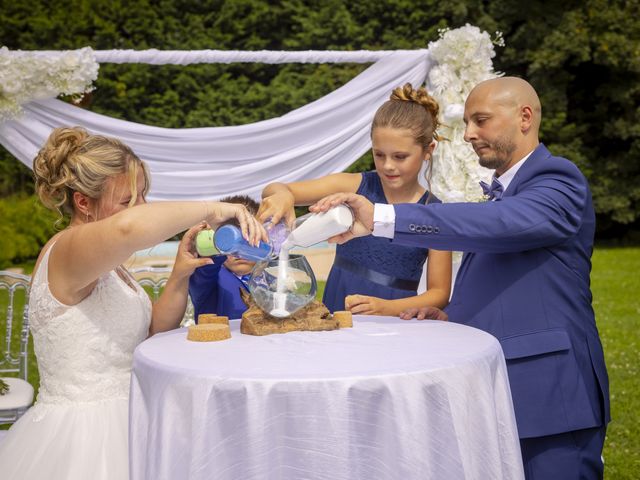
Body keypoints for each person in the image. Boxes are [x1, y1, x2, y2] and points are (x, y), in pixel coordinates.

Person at [309, 76, 610, 479]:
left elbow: (503, 224)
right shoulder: (504, 193)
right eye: (468, 122)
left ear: (524, 117)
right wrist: (454, 319)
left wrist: (382, 216)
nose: (468, 134)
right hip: (499, 389)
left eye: (481, 120)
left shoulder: (558, 180)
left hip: (550, 395)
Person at [0, 127, 265, 480]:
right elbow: (128, 230)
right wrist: (213, 208)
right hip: (86, 436)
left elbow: (153, 330)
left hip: (136, 414)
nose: (140, 209)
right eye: (128, 201)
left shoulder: (108, 266)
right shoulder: (67, 249)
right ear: (83, 202)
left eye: (143, 197)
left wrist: (178, 275)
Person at [258, 83, 452, 315]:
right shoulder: (354, 186)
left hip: (397, 315)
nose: (388, 165)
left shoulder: (436, 212)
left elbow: (439, 293)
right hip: (339, 300)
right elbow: (275, 189)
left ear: (428, 150)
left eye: (400, 157)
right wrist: (282, 195)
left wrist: (386, 308)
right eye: (379, 155)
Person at [189, 194, 260, 320]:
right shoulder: (209, 277)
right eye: (230, 240)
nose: (238, 250)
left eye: (248, 239)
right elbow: (205, 270)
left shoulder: (270, 278)